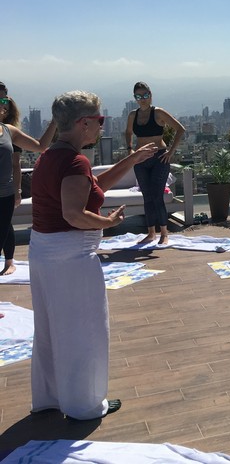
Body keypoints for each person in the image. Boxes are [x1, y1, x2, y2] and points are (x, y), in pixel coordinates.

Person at [29, 90, 157, 420]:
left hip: (44, 253)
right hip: (70, 258)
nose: (102, 126)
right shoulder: (74, 160)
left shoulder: (50, 156)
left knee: (51, 329)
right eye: (99, 121)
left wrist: (131, 160)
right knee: (82, 330)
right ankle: (84, 403)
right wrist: (108, 222)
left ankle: (54, 396)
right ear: (83, 123)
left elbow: (93, 186)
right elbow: (74, 213)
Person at [0, 91, 57, 276]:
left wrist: (54, 122)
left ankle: (9, 262)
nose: (3, 104)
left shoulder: (9, 130)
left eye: (4, 101)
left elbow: (40, 147)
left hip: (5, 195)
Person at [124, 82, 185, 245]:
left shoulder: (158, 112)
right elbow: (128, 132)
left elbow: (180, 129)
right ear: (135, 98)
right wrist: (130, 150)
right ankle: (151, 232)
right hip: (141, 158)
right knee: (147, 196)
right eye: (138, 96)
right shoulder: (132, 115)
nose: (142, 99)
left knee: (158, 196)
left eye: (145, 95)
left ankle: (164, 233)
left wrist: (171, 152)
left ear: (150, 95)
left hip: (159, 157)